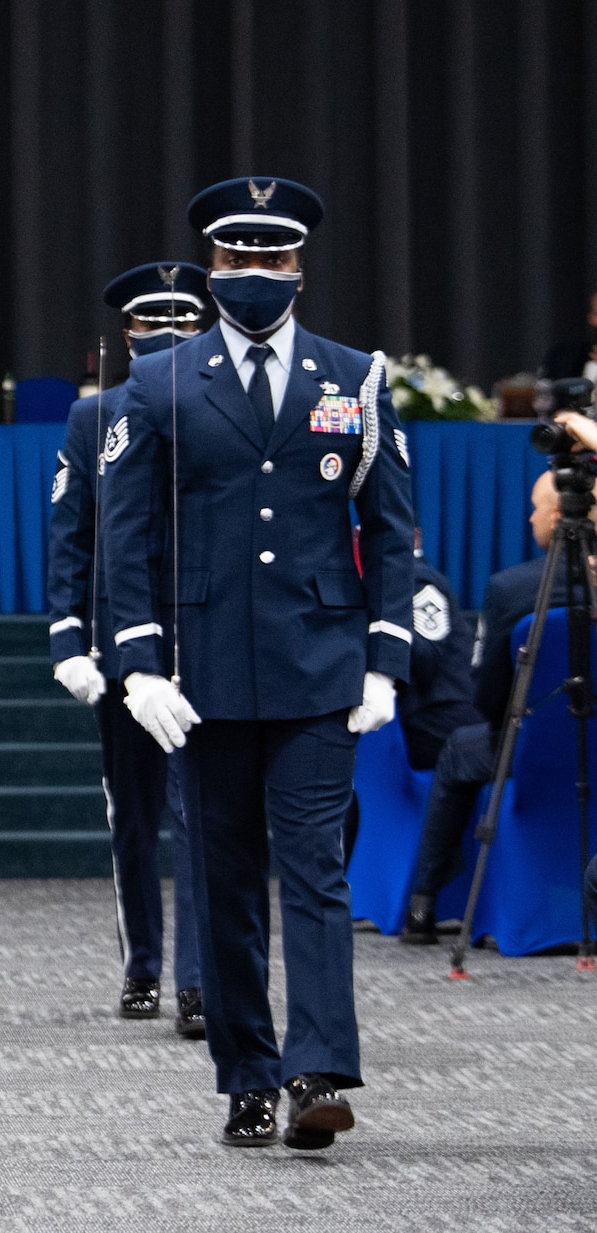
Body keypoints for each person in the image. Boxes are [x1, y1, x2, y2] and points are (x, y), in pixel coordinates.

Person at [103, 176, 415, 1151]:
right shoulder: (159, 383)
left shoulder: (352, 377)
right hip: (201, 674)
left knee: (315, 870)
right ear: (210, 270)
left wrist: (384, 657)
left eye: (268, 258)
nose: (252, 274)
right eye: (234, 259)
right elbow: (124, 539)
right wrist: (137, 663)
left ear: (298, 270)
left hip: (317, 665)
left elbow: (390, 528)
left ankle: (316, 1066)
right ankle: (244, 1068)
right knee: (224, 881)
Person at [48, 262, 208, 1038]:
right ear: (128, 336)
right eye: (152, 325)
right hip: (122, 643)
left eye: (183, 322)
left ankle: (199, 980)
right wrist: (69, 638)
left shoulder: (225, 408)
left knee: (202, 812)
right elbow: (72, 532)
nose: (168, 337)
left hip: (207, 638)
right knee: (134, 817)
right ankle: (143, 964)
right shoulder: (94, 418)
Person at [401, 475, 562, 942]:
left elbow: (488, 699)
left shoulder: (512, 590)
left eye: (534, 507)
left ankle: (424, 903)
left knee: (459, 746)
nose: (529, 516)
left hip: (526, 749)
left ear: (557, 514)